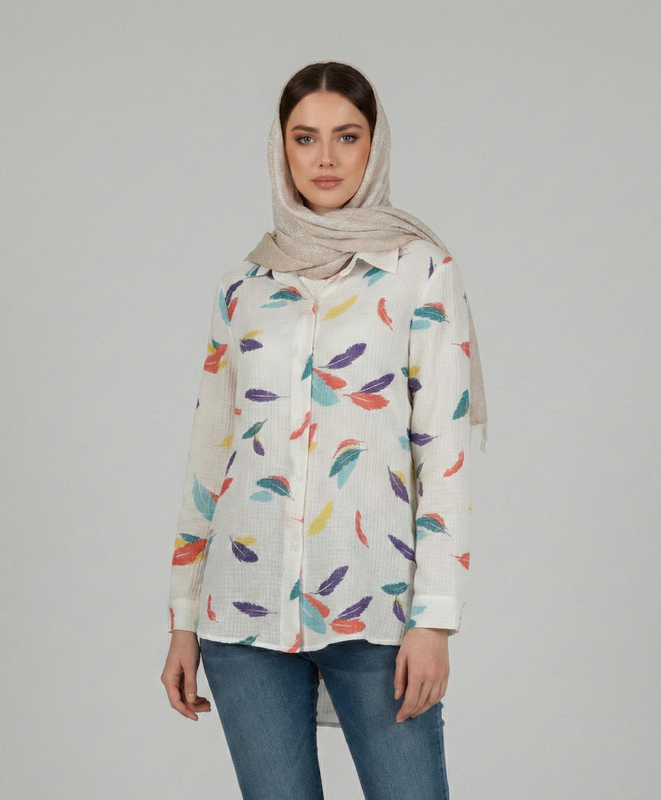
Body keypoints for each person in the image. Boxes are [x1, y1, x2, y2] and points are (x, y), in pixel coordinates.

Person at [161, 61, 487, 800]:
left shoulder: (420, 271)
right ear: (281, 148)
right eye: (305, 138)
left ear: (376, 145)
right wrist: (183, 617)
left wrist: (435, 620)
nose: (326, 158)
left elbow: (443, 457)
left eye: (348, 136)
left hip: (376, 607)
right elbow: (210, 456)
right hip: (241, 611)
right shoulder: (245, 286)